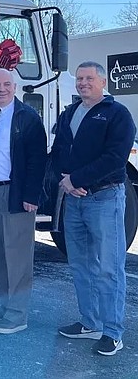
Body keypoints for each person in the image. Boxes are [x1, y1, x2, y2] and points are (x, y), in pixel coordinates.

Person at [52, 62, 136, 356]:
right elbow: (58, 152)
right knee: (80, 265)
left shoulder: (117, 114)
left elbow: (115, 159)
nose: (83, 83)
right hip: (73, 200)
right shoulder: (70, 114)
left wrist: (77, 179)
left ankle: (113, 332)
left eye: (90, 78)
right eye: (79, 78)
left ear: (103, 82)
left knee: (108, 268)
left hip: (105, 200)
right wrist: (65, 180)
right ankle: (90, 323)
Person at [0, 68, 46, 334]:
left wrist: (31, 196)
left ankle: (17, 315)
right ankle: (4, 306)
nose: (1, 89)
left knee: (17, 256)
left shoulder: (27, 117)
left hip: (14, 193)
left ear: (15, 88)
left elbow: (37, 159)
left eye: (6, 84)